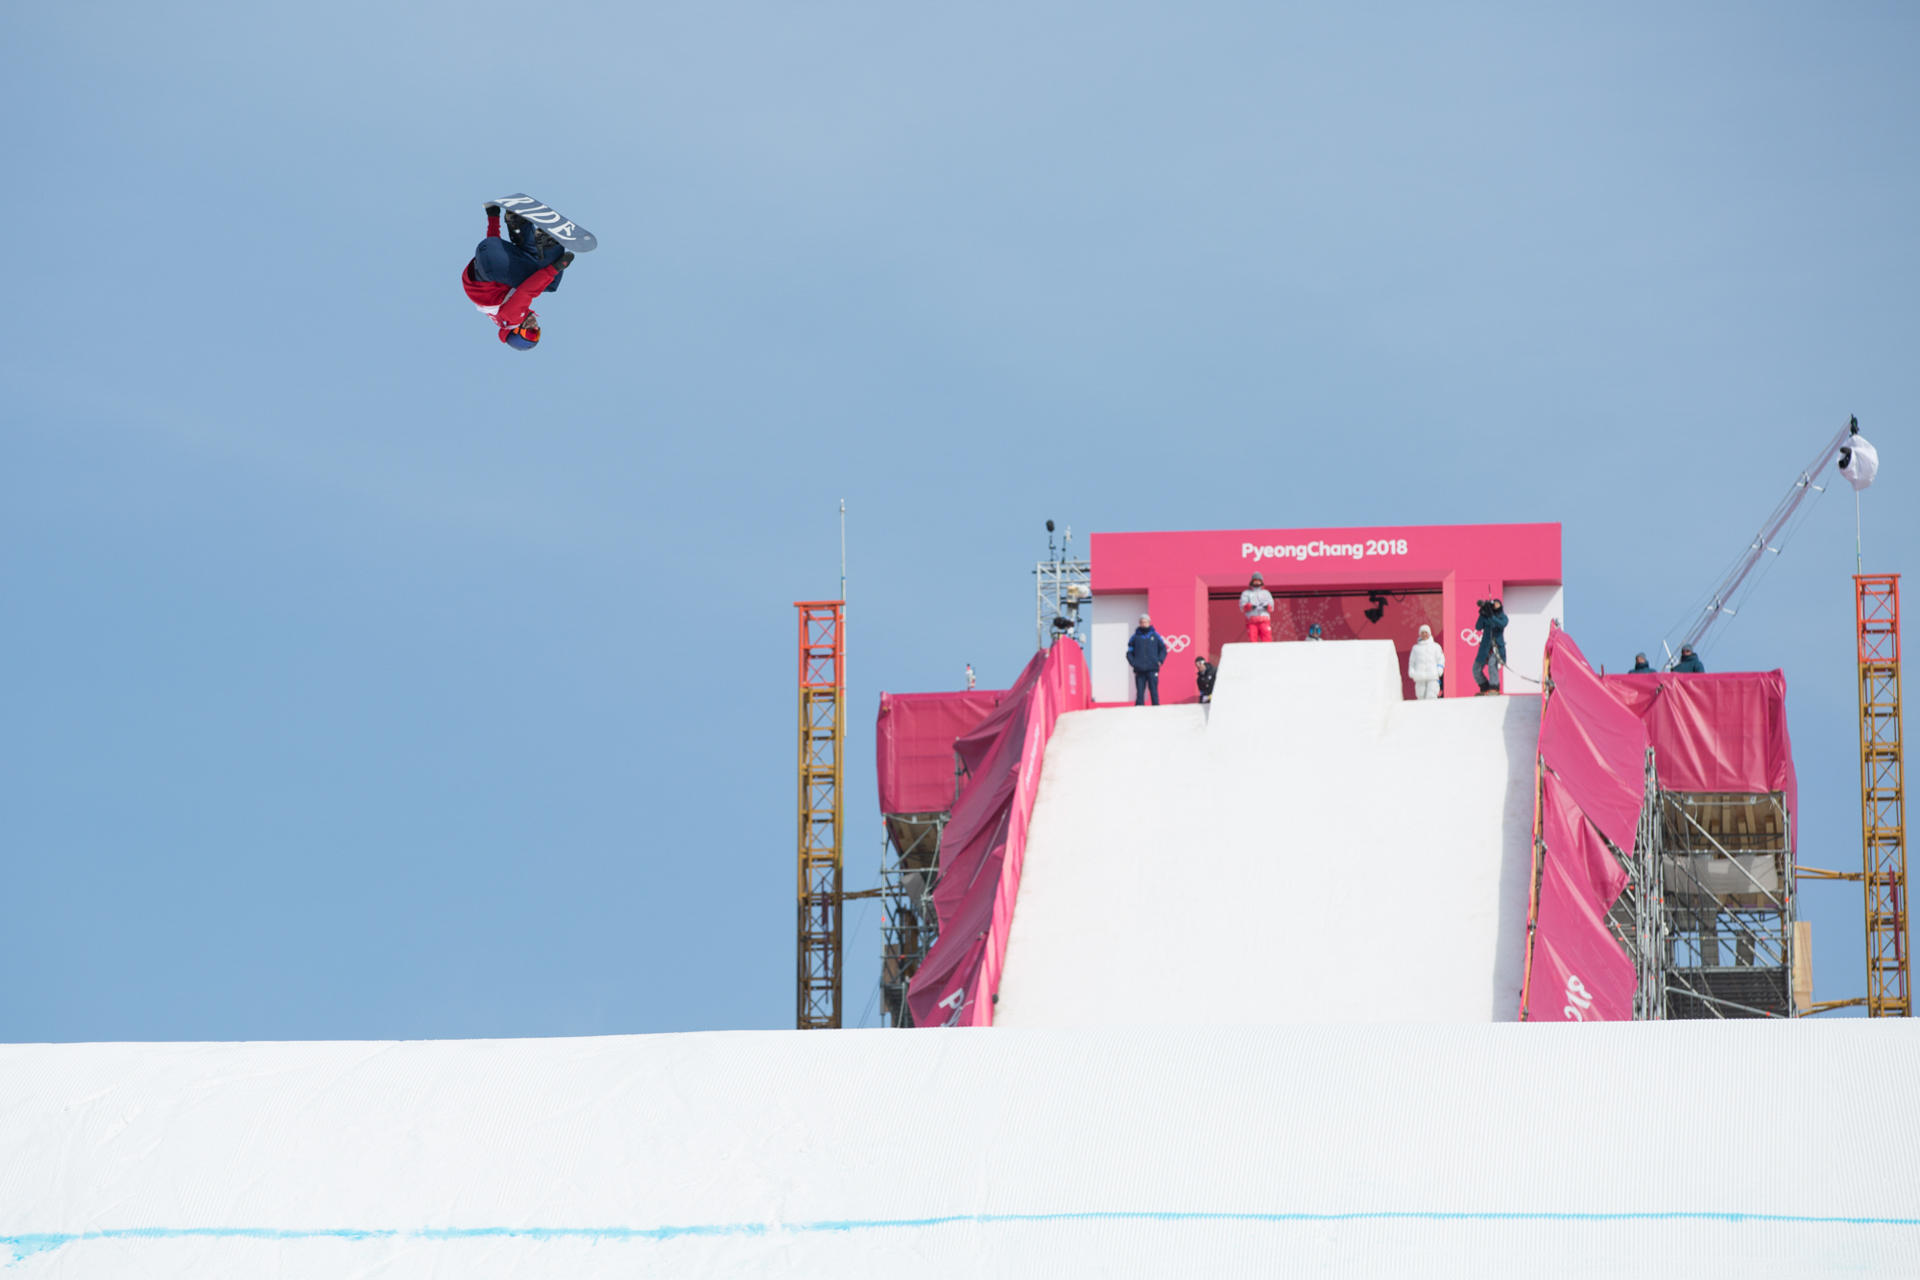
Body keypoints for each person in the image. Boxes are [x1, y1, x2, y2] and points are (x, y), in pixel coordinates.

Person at [462, 204, 576, 349]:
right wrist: (492, 215)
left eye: (530, 334)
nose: (534, 327)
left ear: (516, 331)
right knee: (534, 264)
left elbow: (526, 292)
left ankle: (550, 242)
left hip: (492, 267)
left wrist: (555, 268)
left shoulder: (511, 320)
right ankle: (516, 223)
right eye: (537, 332)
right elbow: (494, 248)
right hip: (485, 255)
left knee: (548, 283)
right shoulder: (498, 312)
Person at [1127, 613, 1168, 706]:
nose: (1143, 624)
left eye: (1145, 622)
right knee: (1140, 691)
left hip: (1152, 668)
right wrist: (1134, 663)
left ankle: (1156, 708)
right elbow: (1129, 652)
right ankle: (1139, 710)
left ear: (1149, 622)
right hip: (1140, 669)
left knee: (1153, 690)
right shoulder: (1135, 637)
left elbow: (1163, 649)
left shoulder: (1156, 636)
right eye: (1142, 622)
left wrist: (1160, 661)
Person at [1472, 598, 1507, 695]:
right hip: (1485, 647)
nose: (1495, 605)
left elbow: (1502, 624)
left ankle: (1494, 687)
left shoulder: (1503, 617)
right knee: (1476, 668)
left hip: (1496, 648)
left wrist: (1492, 616)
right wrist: (1483, 614)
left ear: (1500, 605)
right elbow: (1478, 627)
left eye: (1497, 603)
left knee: (1492, 665)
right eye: (1494, 603)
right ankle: (1484, 687)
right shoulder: (1487, 617)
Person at [1408, 624, 1445, 700]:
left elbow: (1440, 659)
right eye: (1422, 633)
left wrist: (1439, 669)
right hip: (1420, 677)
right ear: (1420, 634)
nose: (1424, 634)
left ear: (1429, 634)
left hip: (1432, 676)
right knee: (1421, 696)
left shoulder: (1435, 646)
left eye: (1426, 633)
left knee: (1431, 696)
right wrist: (1412, 671)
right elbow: (1412, 662)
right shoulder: (1415, 648)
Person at [1240, 574, 1275, 643]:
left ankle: (1268, 653)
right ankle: (1254, 653)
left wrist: (1267, 607)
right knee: (1253, 640)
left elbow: (1271, 606)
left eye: (1258, 581)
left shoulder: (1266, 593)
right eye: (1255, 580)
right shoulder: (1247, 593)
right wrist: (1250, 606)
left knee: (1267, 640)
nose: (1256, 582)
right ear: (1252, 581)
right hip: (1252, 620)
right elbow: (1242, 606)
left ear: (1261, 582)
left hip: (1264, 620)